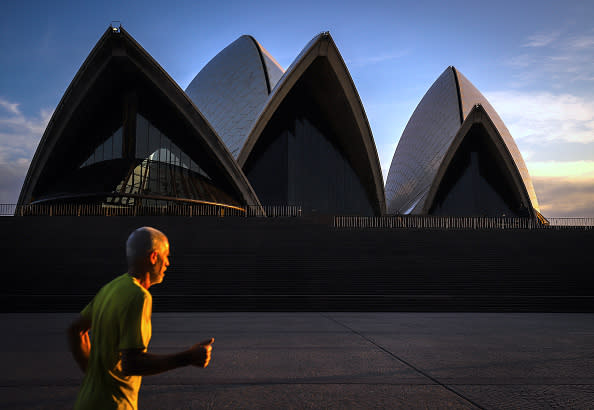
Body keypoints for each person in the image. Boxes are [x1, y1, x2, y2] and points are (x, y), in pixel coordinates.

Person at [68, 226, 214, 409]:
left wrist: (93, 374)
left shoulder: (111, 288)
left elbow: (75, 330)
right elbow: (132, 364)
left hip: (87, 402)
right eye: (166, 256)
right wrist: (188, 357)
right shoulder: (139, 296)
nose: (168, 263)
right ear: (153, 257)